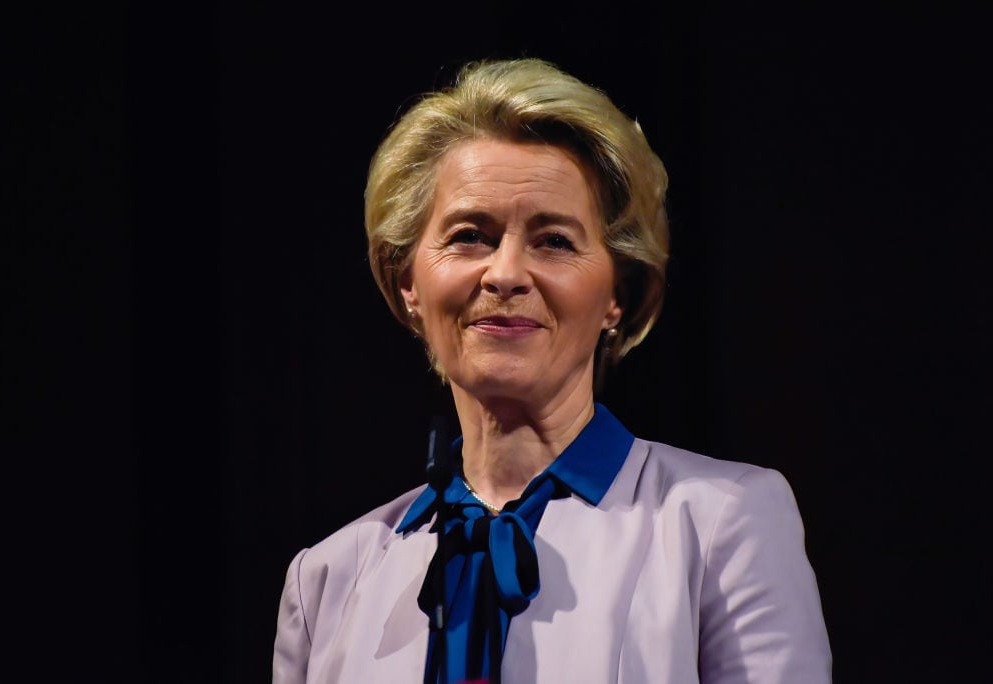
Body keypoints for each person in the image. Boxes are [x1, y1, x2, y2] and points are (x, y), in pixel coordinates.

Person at [272, 57, 831, 684]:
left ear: (616, 293)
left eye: (554, 242)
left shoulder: (722, 523)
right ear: (409, 283)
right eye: (469, 235)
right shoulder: (327, 582)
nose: (506, 273)